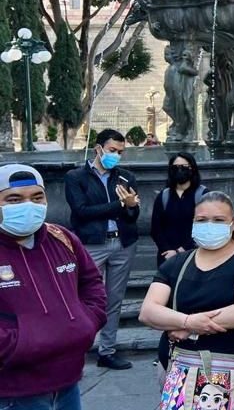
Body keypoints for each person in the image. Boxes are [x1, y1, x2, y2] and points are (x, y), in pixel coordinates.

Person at [139, 192, 234, 409]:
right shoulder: (176, 264)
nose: (209, 225)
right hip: (179, 367)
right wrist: (188, 323)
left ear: (233, 224)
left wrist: (189, 328)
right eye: (201, 220)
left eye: (218, 220)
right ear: (193, 223)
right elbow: (148, 311)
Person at [0, 164, 107, 410]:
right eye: (14, 199)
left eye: (37, 197)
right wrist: (18, 343)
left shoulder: (63, 238)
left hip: (68, 385)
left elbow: (92, 284)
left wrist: (86, 321)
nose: (29, 205)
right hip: (13, 391)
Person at [64, 128, 140, 370]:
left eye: (120, 152)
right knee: (83, 297)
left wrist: (129, 206)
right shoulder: (76, 177)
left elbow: (133, 214)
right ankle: (76, 350)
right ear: (98, 148)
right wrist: (119, 204)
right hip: (91, 244)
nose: (116, 156)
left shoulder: (125, 177)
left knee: (114, 299)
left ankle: (107, 351)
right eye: (112, 150)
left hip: (123, 243)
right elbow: (82, 212)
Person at [151, 152, 206, 267]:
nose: (179, 170)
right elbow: (156, 228)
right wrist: (167, 250)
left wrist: (180, 250)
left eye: (184, 167)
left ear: (192, 169)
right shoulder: (164, 195)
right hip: (166, 256)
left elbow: (205, 228)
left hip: (195, 255)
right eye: (175, 167)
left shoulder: (203, 195)